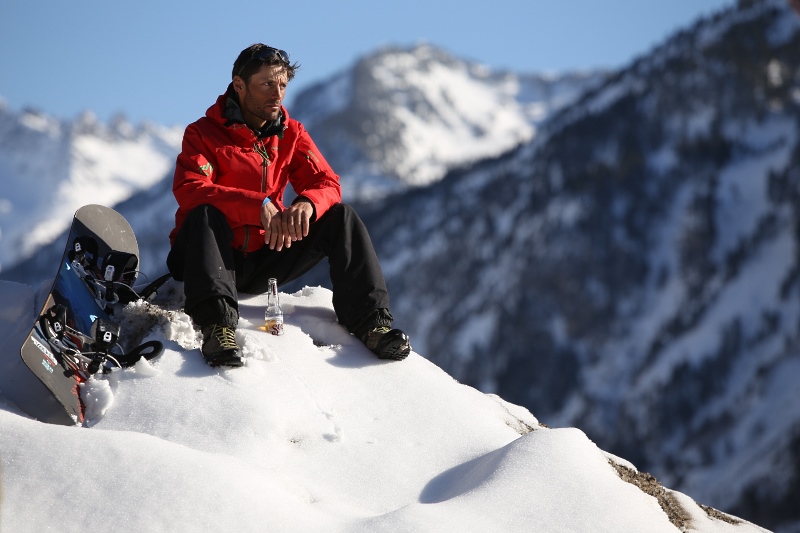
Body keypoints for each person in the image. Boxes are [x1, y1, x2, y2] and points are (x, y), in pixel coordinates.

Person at [167, 43, 410, 367]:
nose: (277, 93)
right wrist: (256, 205)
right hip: (207, 258)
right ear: (239, 85)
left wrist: (307, 205)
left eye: (282, 85)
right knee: (206, 213)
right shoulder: (203, 134)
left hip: (263, 256)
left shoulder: (291, 134)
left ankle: (372, 325)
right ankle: (217, 329)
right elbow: (191, 189)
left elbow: (326, 183)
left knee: (340, 216)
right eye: (267, 84)